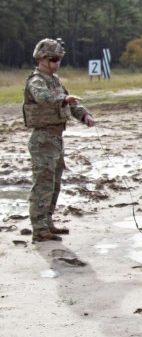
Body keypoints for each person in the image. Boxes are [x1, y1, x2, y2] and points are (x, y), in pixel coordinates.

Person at [23, 38, 95, 242]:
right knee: (43, 183)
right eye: (53, 59)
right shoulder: (37, 80)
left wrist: (84, 116)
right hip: (43, 138)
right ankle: (39, 228)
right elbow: (42, 96)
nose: (57, 63)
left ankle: (47, 222)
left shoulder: (55, 80)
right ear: (42, 59)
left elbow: (70, 103)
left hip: (56, 137)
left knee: (54, 182)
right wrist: (62, 99)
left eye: (59, 59)